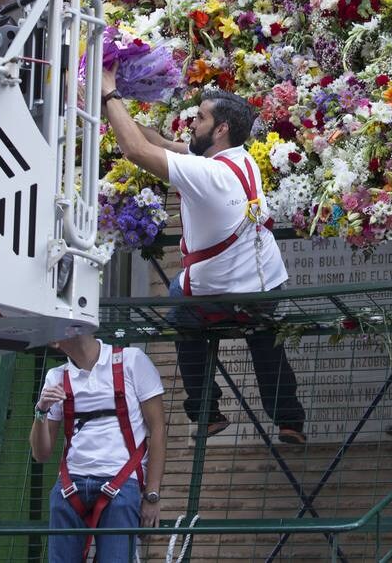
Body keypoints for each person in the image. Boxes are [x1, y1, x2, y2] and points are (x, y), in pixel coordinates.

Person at [98, 73, 307, 444]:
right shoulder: (241, 161)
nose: (192, 123)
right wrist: (115, 110)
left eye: (201, 118)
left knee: (180, 314)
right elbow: (160, 143)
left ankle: (206, 412)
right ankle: (289, 420)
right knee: (264, 336)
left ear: (221, 128)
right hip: (265, 283)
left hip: (214, 290)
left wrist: (110, 93)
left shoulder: (206, 174)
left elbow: (136, 151)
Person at [30, 333, 166, 563]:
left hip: (122, 482)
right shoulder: (56, 377)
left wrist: (151, 495)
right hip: (70, 486)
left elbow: (159, 429)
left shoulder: (131, 361)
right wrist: (41, 410)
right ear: (54, 340)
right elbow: (40, 454)